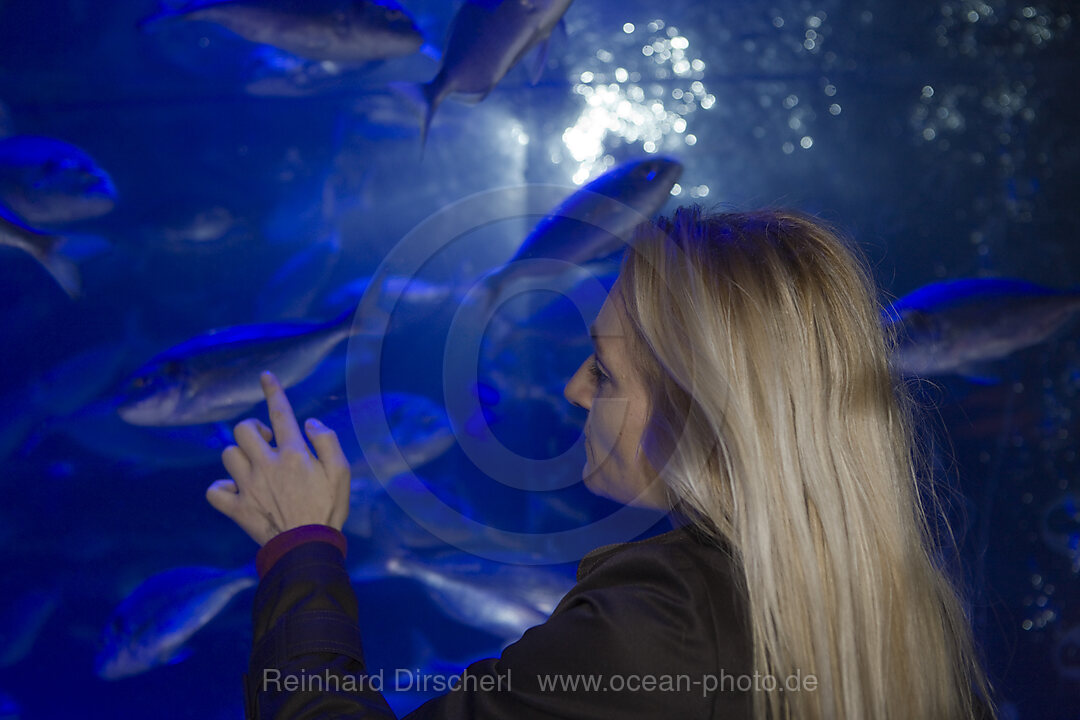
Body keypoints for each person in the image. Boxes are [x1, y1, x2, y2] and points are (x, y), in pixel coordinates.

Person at [207, 205, 996, 719]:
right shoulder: (902, 613)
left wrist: (299, 546)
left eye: (607, 372)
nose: (573, 388)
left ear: (701, 408)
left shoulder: (662, 626)